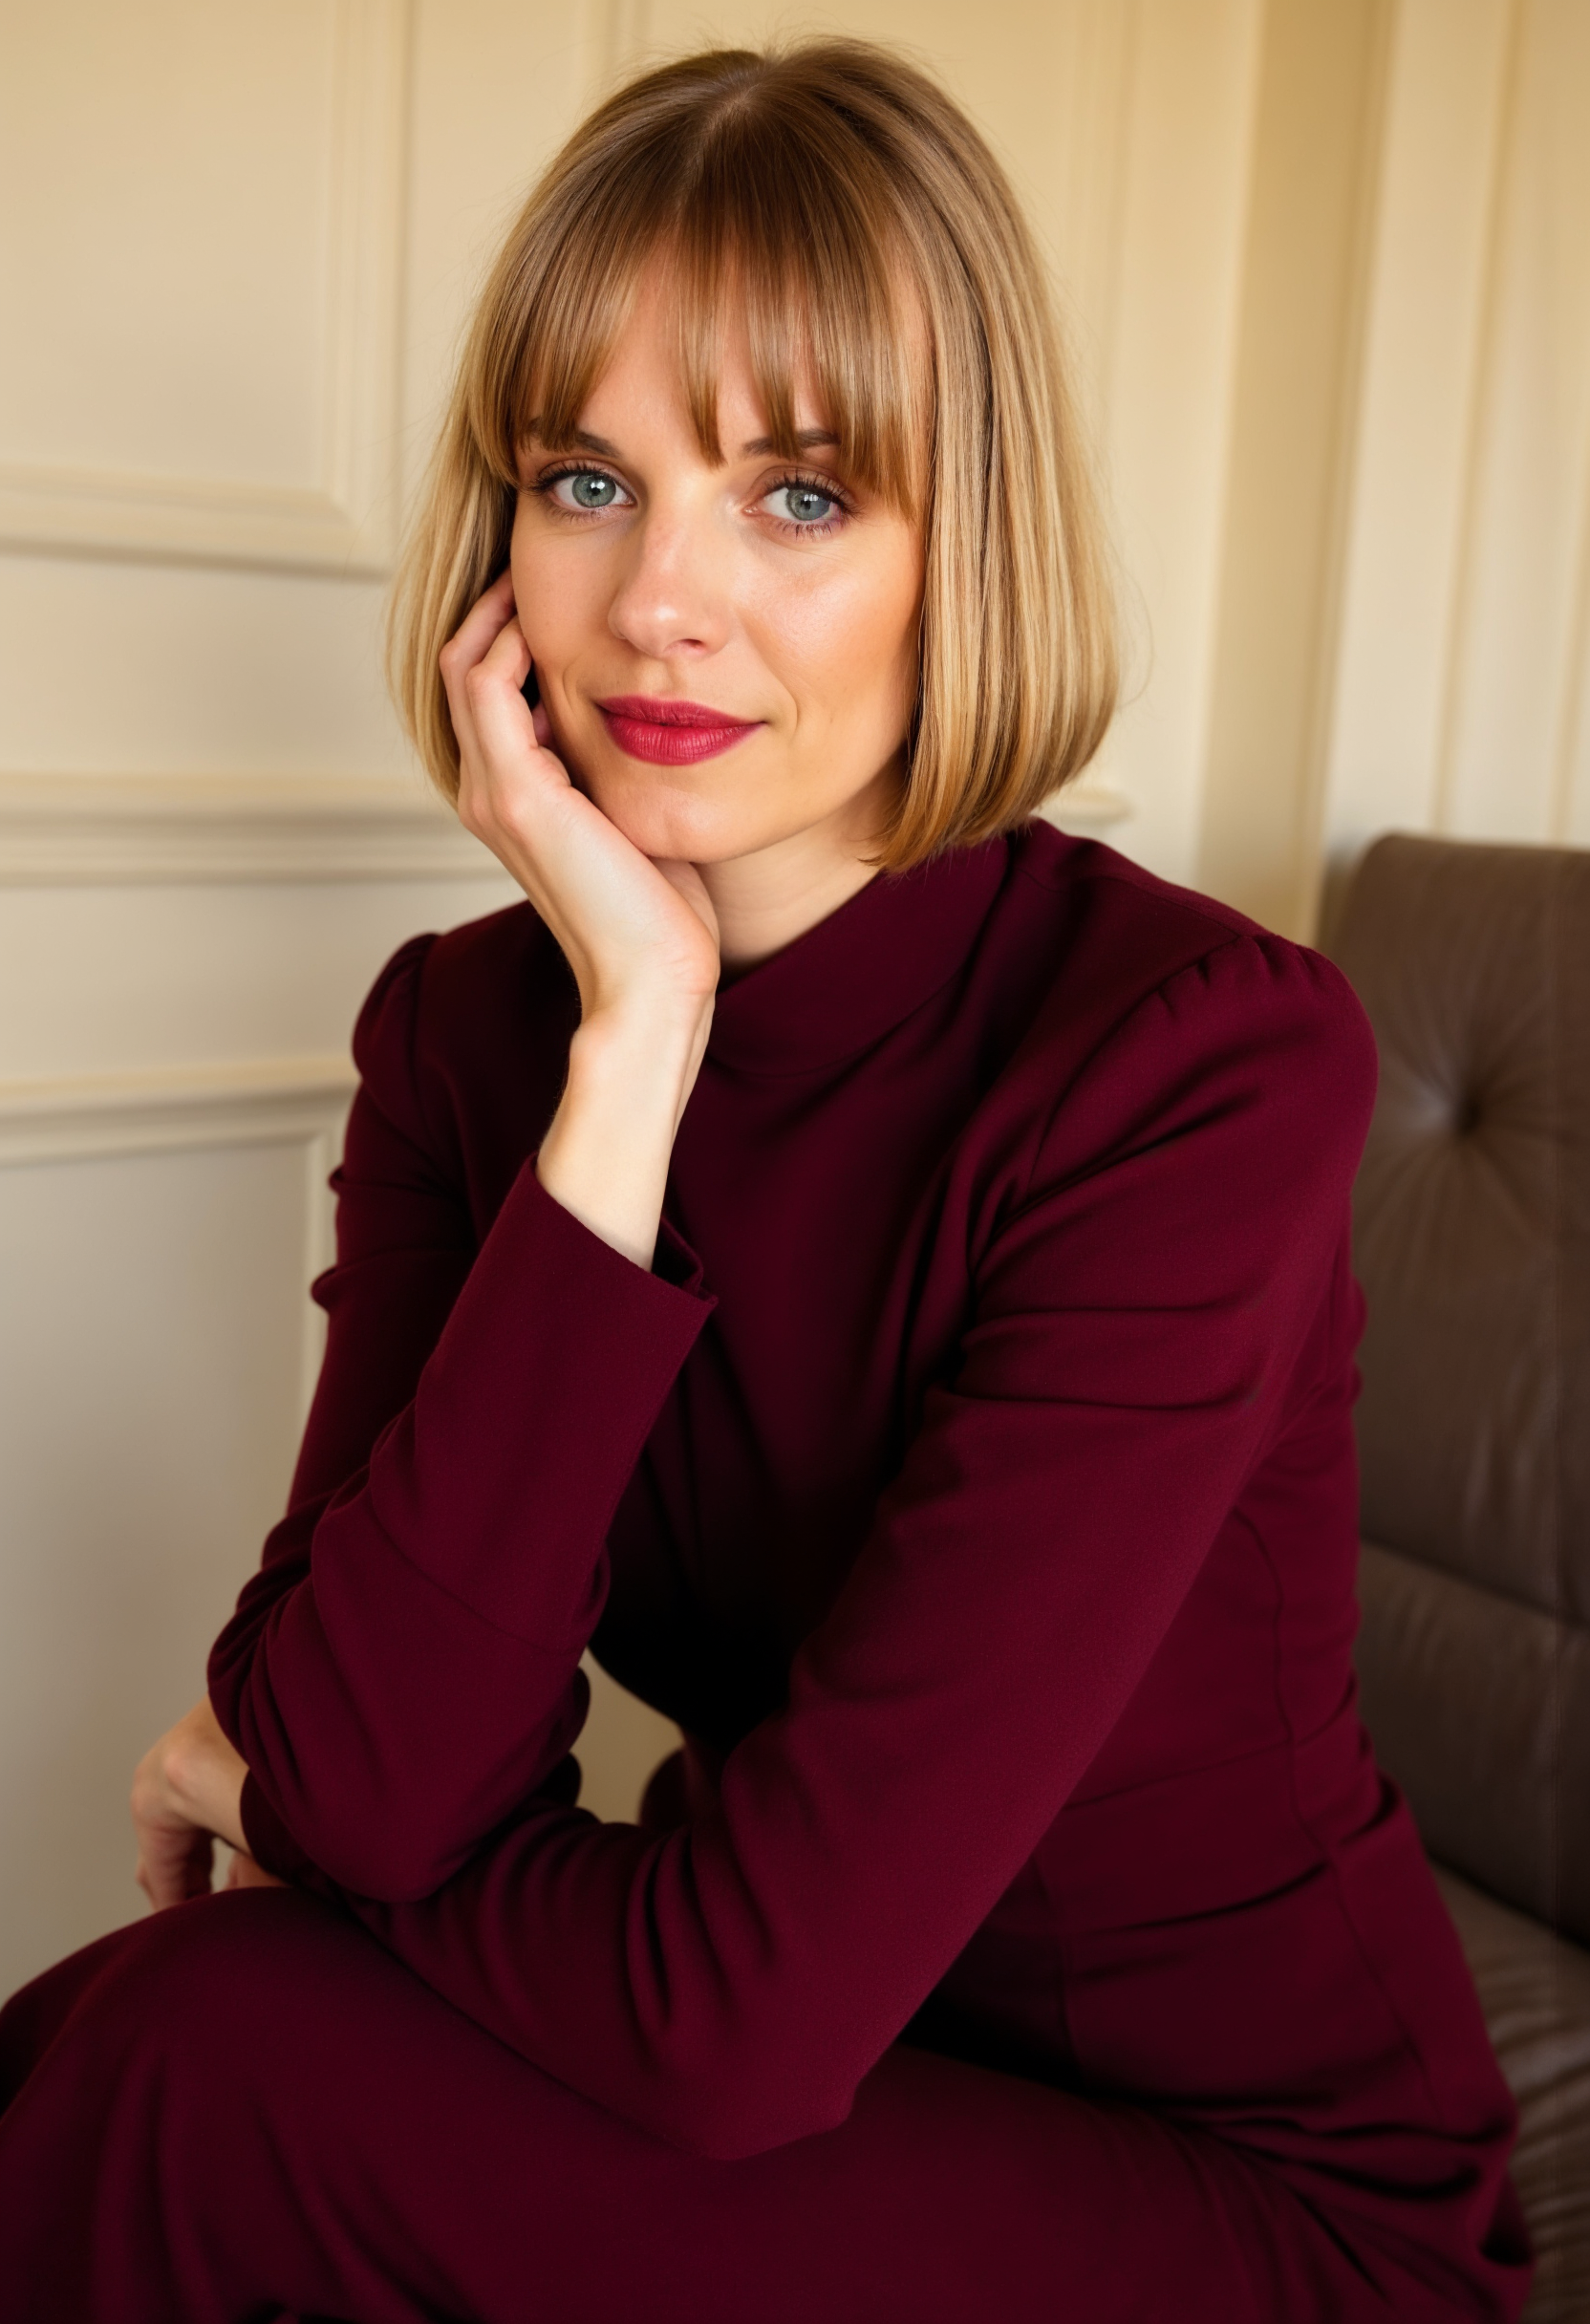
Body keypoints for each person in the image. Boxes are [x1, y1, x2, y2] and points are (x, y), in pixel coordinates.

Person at [0, 39, 1530, 2323]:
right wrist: (630, 1049)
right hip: (792, 2075)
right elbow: (380, 1769)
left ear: (959, 547)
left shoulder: (1198, 1065)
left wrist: (295, 1790)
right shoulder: (471, 1034)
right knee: (127, 2046)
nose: (659, 602)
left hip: (1241, 2193)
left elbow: (680, 1993)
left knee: (182, 2063)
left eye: (797, 495)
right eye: (585, 481)